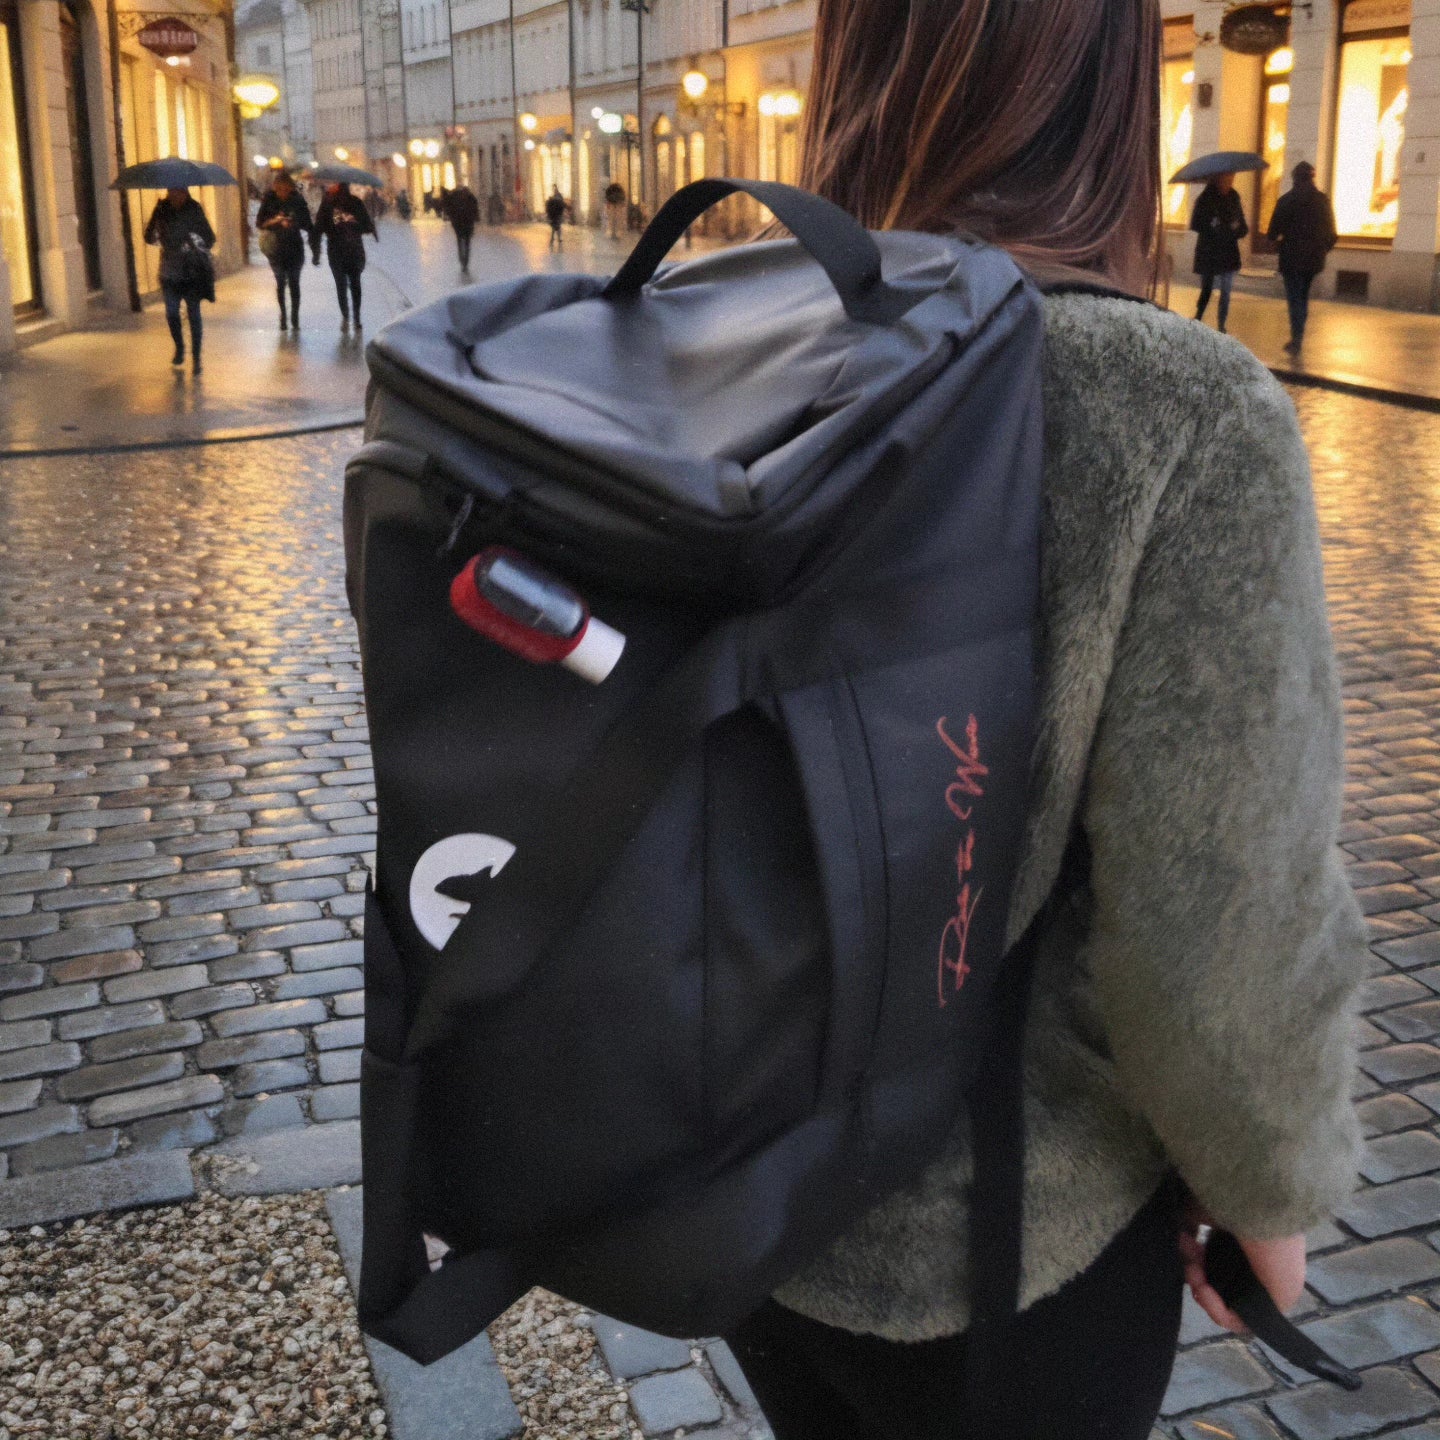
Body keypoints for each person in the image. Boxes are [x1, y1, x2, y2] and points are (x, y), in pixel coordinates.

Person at [720, 3, 1366, 1437]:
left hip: (743, 1193)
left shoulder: (741, 323)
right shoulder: (1176, 408)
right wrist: (1267, 1188)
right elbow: (1218, 911)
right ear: (1107, 86)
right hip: (1008, 1245)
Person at [1267, 160, 1337, 353]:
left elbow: (1272, 232)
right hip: (1313, 259)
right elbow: (1332, 234)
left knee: (1294, 298)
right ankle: (1298, 336)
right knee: (1303, 297)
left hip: (1290, 257)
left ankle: (1296, 338)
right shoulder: (1322, 201)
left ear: (1294, 179)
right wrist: (1322, 249)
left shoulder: (1286, 201)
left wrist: (1278, 244)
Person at [143, 186, 215, 374]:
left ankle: (197, 358)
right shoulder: (161, 208)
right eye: (170, 191)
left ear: (184, 192)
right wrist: (157, 227)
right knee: (172, 313)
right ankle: (180, 347)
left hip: (192, 271)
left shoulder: (194, 209)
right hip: (170, 271)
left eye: (176, 191)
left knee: (193, 314)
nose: (172, 195)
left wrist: (192, 240)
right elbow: (148, 237)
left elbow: (210, 238)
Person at [311, 181, 376, 330]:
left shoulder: (328, 205)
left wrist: (316, 253)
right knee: (354, 285)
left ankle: (347, 317)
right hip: (353, 250)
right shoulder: (354, 203)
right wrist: (357, 225)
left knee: (342, 285)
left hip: (338, 251)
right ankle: (355, 319)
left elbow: (318, 230)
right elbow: (367, 226)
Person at [1189, 171, 1246, 333]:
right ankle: (1199, 316)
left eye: (1232, 179)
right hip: (1209, 252)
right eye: (1226, 179)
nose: (1229, 182)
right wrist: (1211, 224)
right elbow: (1195, 223)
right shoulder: (1205, 198)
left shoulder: (1234, 197)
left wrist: (1237, 227)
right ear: (1217, 180)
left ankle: (1222, 325)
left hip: (1228, 252)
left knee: (1226, 291)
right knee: (1207, 289)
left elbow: (1243, 226)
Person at [255, 170, 312, 331]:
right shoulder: (269, 200)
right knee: (280, 283)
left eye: (285, 189)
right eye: (279, 189)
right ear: (274, 188)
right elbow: (260, 223)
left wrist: (294, 223)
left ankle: (294, 315)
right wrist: (275, 221)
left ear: (290, 188)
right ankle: (283, 315)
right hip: (276, 249)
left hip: (295, 249)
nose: (282, 192)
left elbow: (308, 224)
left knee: (294, 283)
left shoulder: (298, 201)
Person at [445, 182, 481, 270]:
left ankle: (463, 260)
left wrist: (452, 218)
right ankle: (464, 261)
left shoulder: (457, 198)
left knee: (462, 243)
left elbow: (450, 209)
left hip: (461, 225)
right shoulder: (470, 198)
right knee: (466, 243)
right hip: (465, 225)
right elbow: (475, 210)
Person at [545, 186, 567, 250]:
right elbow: (563, 205)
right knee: (556, 226)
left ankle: (554, 238)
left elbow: (549, 208)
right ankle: (557, 238)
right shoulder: (557, 199)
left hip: (555, 215)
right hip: (556, 215)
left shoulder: (554, 199)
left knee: (555, 227)